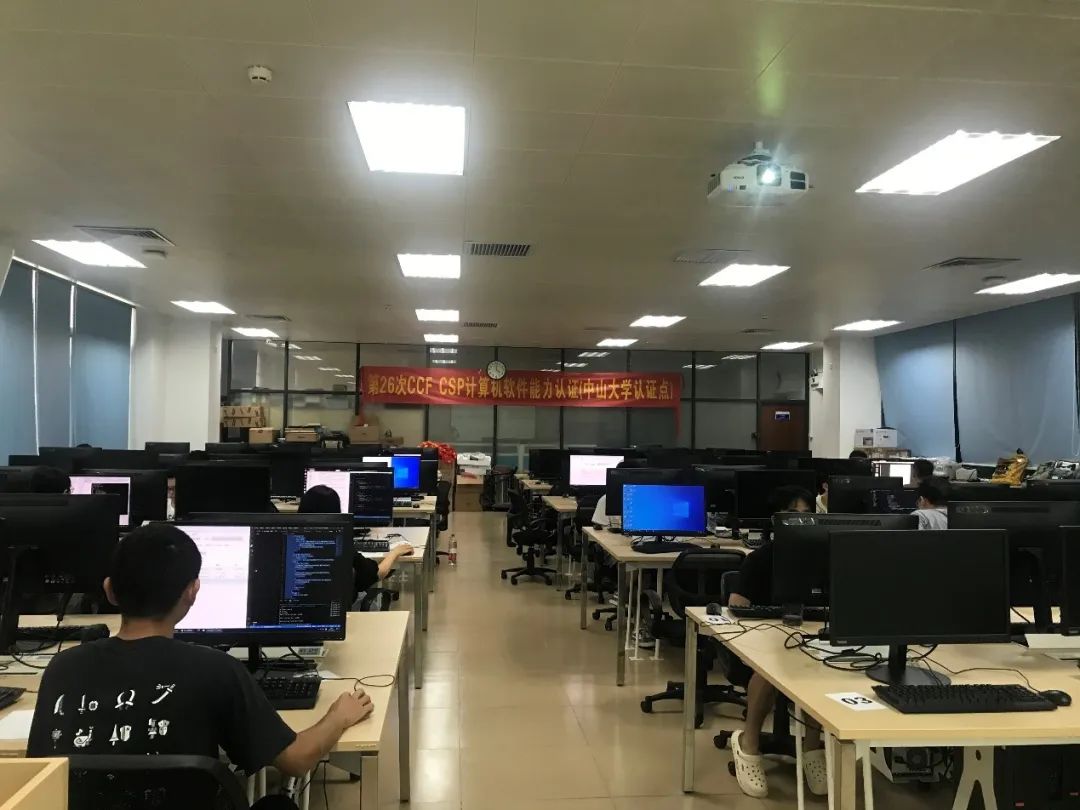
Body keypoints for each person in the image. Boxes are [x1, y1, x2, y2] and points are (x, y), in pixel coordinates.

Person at [27, 524, 374, 806]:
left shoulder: (61, 668)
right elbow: (296, 760)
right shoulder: (215, 670)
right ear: (192, 591)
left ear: (109, 590)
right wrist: (338, 716)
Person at [727, 485, 827, 799]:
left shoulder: (823, 558)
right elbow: (736, 608)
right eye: (793, 514)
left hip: (806, 636)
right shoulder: (760, 559)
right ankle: (748, 743)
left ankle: (812, 746)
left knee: (819, 665)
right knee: (770, 670)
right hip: (758, 644)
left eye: (807, 514)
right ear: (776, 519)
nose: (801, 521)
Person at [299, 485, 413, 600]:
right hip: (335, 608)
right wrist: (394, 553)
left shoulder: (291, 540)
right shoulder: (338, 544)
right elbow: (377, 573)